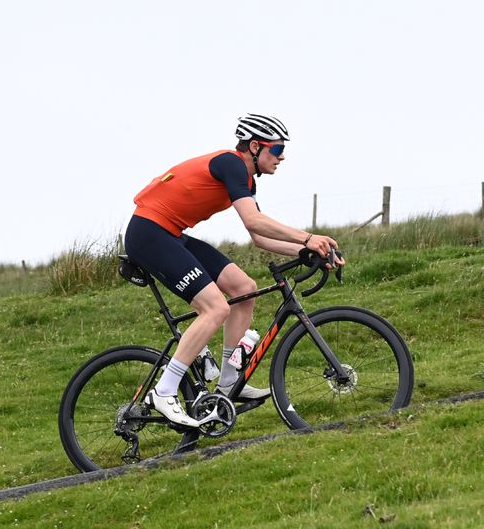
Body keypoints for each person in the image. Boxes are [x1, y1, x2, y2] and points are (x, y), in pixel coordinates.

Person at [123, 113, 342, 427]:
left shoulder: (246, 178)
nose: (281, 158)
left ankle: (228, 384)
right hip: (149, 233)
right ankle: (164, 390)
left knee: (244, 288)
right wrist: (308, 237)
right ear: (255, 146)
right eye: (276, 151)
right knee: (214, 308)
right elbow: (254, 222)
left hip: (170, 233)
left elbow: (258, 236)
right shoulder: (231, 163)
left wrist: (308, 252)